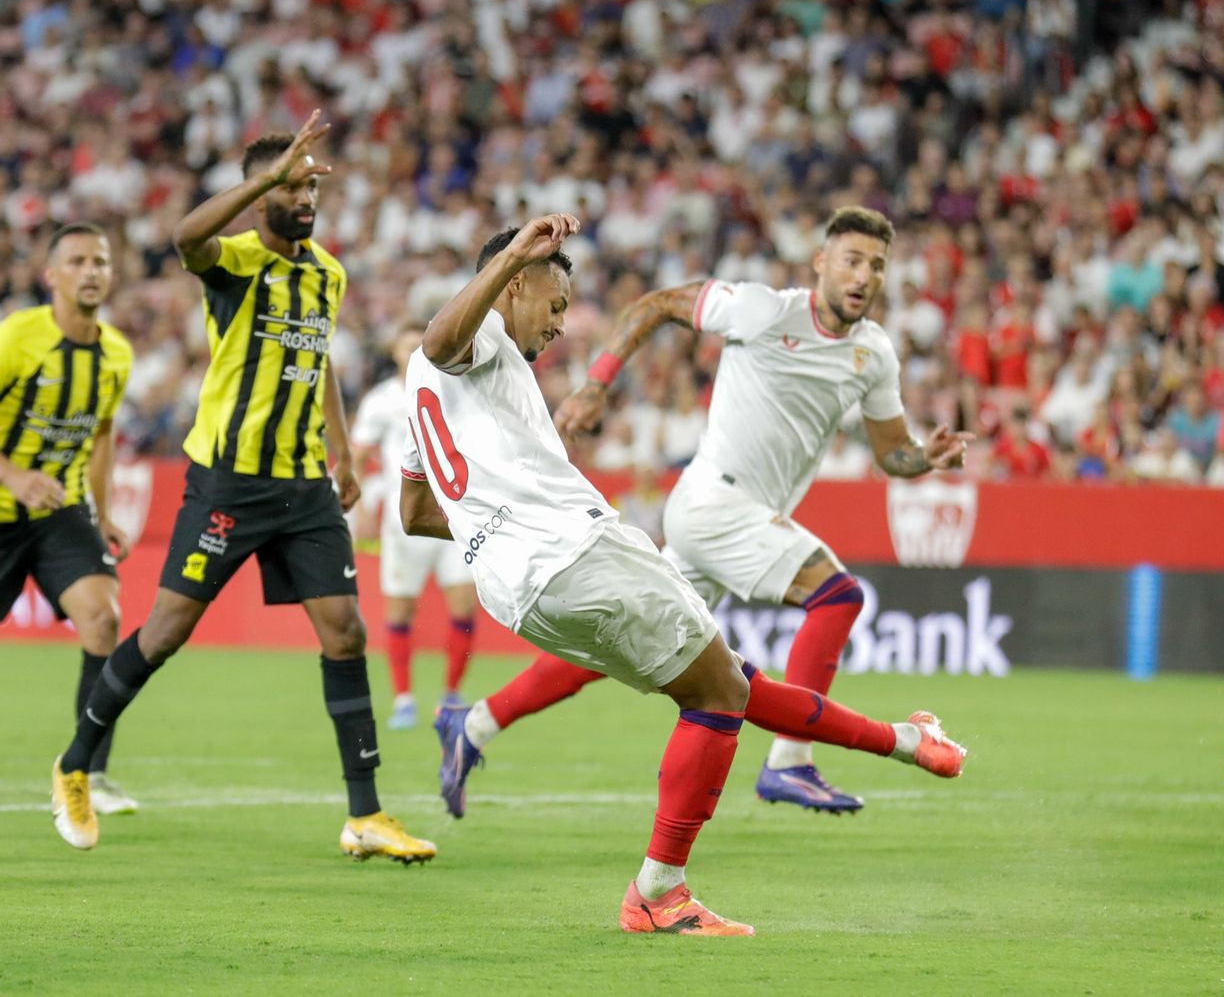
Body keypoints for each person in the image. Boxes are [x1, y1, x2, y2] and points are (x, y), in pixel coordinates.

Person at [401, 212, 967, 934]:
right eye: (554, 305)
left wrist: (494, 526)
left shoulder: (426, 389)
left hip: (516, 587)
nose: (560, 325)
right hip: (584, 547)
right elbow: (444, 338)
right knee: (745, 673)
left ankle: (904, 743)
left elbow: (417, 508)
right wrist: (515, 251)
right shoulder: (477, 338)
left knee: (723, 683)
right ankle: (662, 888)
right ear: (512, 286)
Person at [50, 112, 434, 863]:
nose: (308, 196)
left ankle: (366, 814)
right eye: (293, 184)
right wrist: (262, 175)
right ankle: (75, 762)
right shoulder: (234, 260)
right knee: (164, 632)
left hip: (305, 487)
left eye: (311, 183)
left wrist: (343, 450)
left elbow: (316, 359)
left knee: (345, 631)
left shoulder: (328, 272)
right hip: (230, 481)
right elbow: (183, 240)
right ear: (260, 194)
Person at [1, 224, 138, 816]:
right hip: (4, 505)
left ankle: (87, 771)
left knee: (104, 619)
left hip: (59, 514)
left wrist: (103, 514)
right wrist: (12, 476)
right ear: (51, 275)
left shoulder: (117, 353)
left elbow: (102, 434)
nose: (91, 271)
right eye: (78, 261)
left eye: (100, 261)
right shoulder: (16, 338)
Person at [349, 325, 478, 729]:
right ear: (394, 351)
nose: (415, 350)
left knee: (464, 604)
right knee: (400, 609)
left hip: (452, 518)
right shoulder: (382, 400)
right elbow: (357, 454)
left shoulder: (457, 388)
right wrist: (362, 507)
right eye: (407, 345)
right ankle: (404, 699)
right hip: (402, 522)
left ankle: (451, 693)